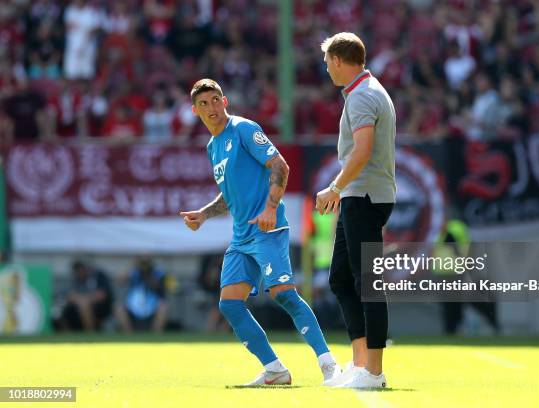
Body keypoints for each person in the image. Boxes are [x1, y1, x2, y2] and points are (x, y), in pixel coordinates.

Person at [179, 79, 340, 386]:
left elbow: (280, 166)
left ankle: (329, 364)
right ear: (195, 110)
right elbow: (229, 196)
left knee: (284, 295)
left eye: (215, 100)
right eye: (203, 104)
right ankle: (276, 370)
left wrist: (269, 208)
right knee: (229, 304)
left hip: (267, 227)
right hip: (241, 237)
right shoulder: (213, 147)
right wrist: (204, 213)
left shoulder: (243, 129)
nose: (211, 108)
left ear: (225, 101)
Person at [316, 32, 396, 388]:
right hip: (358, 195)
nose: (326, 69)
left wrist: (334, 187)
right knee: (340, 278)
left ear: (337, 60)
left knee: (368, 283)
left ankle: (374, 372)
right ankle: (361, 364)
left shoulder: (363, 95)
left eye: (327, 62)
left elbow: (361, 151)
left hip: (364, 195)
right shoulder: (365, 90)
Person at [114, 256, 168, 333]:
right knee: (118, 307)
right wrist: (133, 266)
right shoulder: (134, 272)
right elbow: (119, 280)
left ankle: (156, 335)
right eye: (142, 260)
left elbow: (162, 285)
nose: (144, 263)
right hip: (133, 309)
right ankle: (128, 334)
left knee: (163, 306)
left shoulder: (157, 273)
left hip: (151, 309)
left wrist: (147, 274)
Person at [58, 260, 113, 332]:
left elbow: (102, 295)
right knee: (60, 310)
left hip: (100, 306)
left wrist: (85, 299)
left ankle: (90, 332)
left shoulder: (98, 276)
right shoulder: (75, 279)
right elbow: (70, 296)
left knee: (84, 306)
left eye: (80, 270)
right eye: (77, 272)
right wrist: (80, 299)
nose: (79, 273)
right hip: (75, 308)